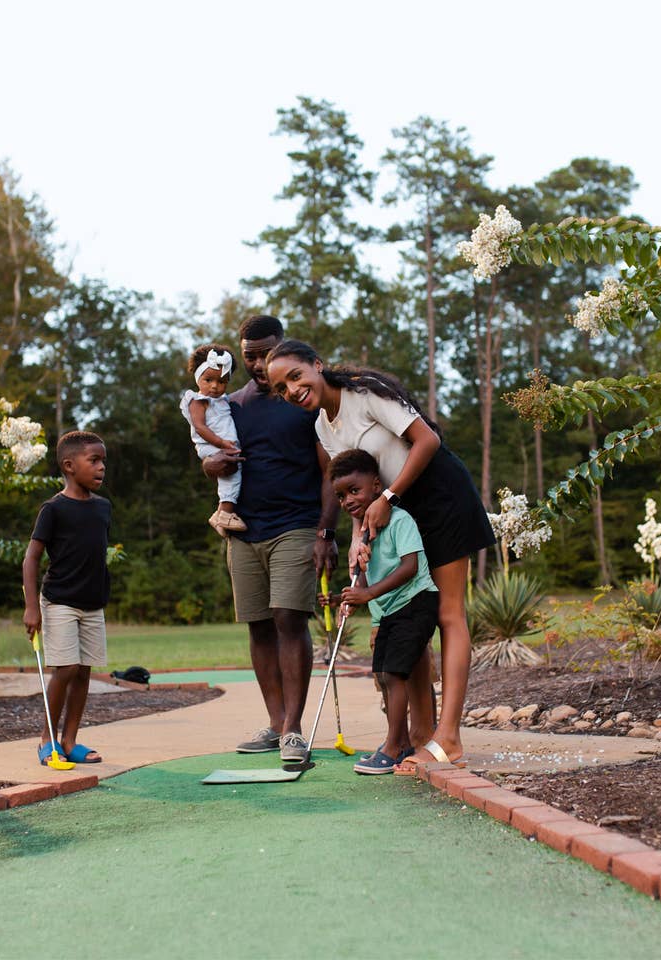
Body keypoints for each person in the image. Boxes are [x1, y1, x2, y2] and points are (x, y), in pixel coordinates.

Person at [266, 339, 495, 770]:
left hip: (439, 496)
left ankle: (449, 738)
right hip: (397, 513)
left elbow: (426, 440)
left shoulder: (364, 393)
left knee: (448, 614)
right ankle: (421, 735)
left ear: (317, 365)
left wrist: (388, 495)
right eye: (281, 388)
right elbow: (357, 485)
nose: (292, 390)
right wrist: (356, 537)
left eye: (295, 376)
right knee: (414, 618)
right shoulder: (322, 428)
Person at [202, 315, 339, 763]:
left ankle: (295, 730)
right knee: (259, 625)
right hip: (243, 531)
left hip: (296, 526)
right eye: (251, 357)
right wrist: (210, 466)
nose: (259, 364)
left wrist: (326, 531)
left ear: (283, 349)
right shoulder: (231, 406)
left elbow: (329, 470)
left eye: (266, 354)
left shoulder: (303, 402)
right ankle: (277, 723)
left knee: (288, 618)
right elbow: (212, 457)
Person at [325, 449, 439, 774]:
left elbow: (410, 566)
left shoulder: (400, 520)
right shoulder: (363, 535)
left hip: (416, 601)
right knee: (384, 676)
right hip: (390, 609)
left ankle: (394, 745)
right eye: (340, 496)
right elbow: (365, 578)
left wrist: (369, 593)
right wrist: (344, 597)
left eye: (354, 490)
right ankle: (398, 743)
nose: (347, 500)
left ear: (377, 487)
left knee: (394, 674)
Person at [22, 430, 111, 765]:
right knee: (66, 668)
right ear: (69, 466)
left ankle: (70, 740)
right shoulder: (53, 509)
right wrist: (32, 607)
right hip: (59, 600)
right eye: (95, 460)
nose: (102, 467)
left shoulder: (103, 508)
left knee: (84, 670)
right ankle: (47, 739)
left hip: (93, 603)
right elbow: (31, 558)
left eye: (103, 460)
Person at [179, 342, 247, 537]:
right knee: (232, 474)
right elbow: (200, 427)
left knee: (232, 475)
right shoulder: (198, 400)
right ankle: (225, 513)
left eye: (222, 381)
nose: (215, 386)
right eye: (208, 380)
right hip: (212, 446)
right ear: (197, 378)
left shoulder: (223, 400)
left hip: (223, 445)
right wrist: (221, 443)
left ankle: (218, 514)